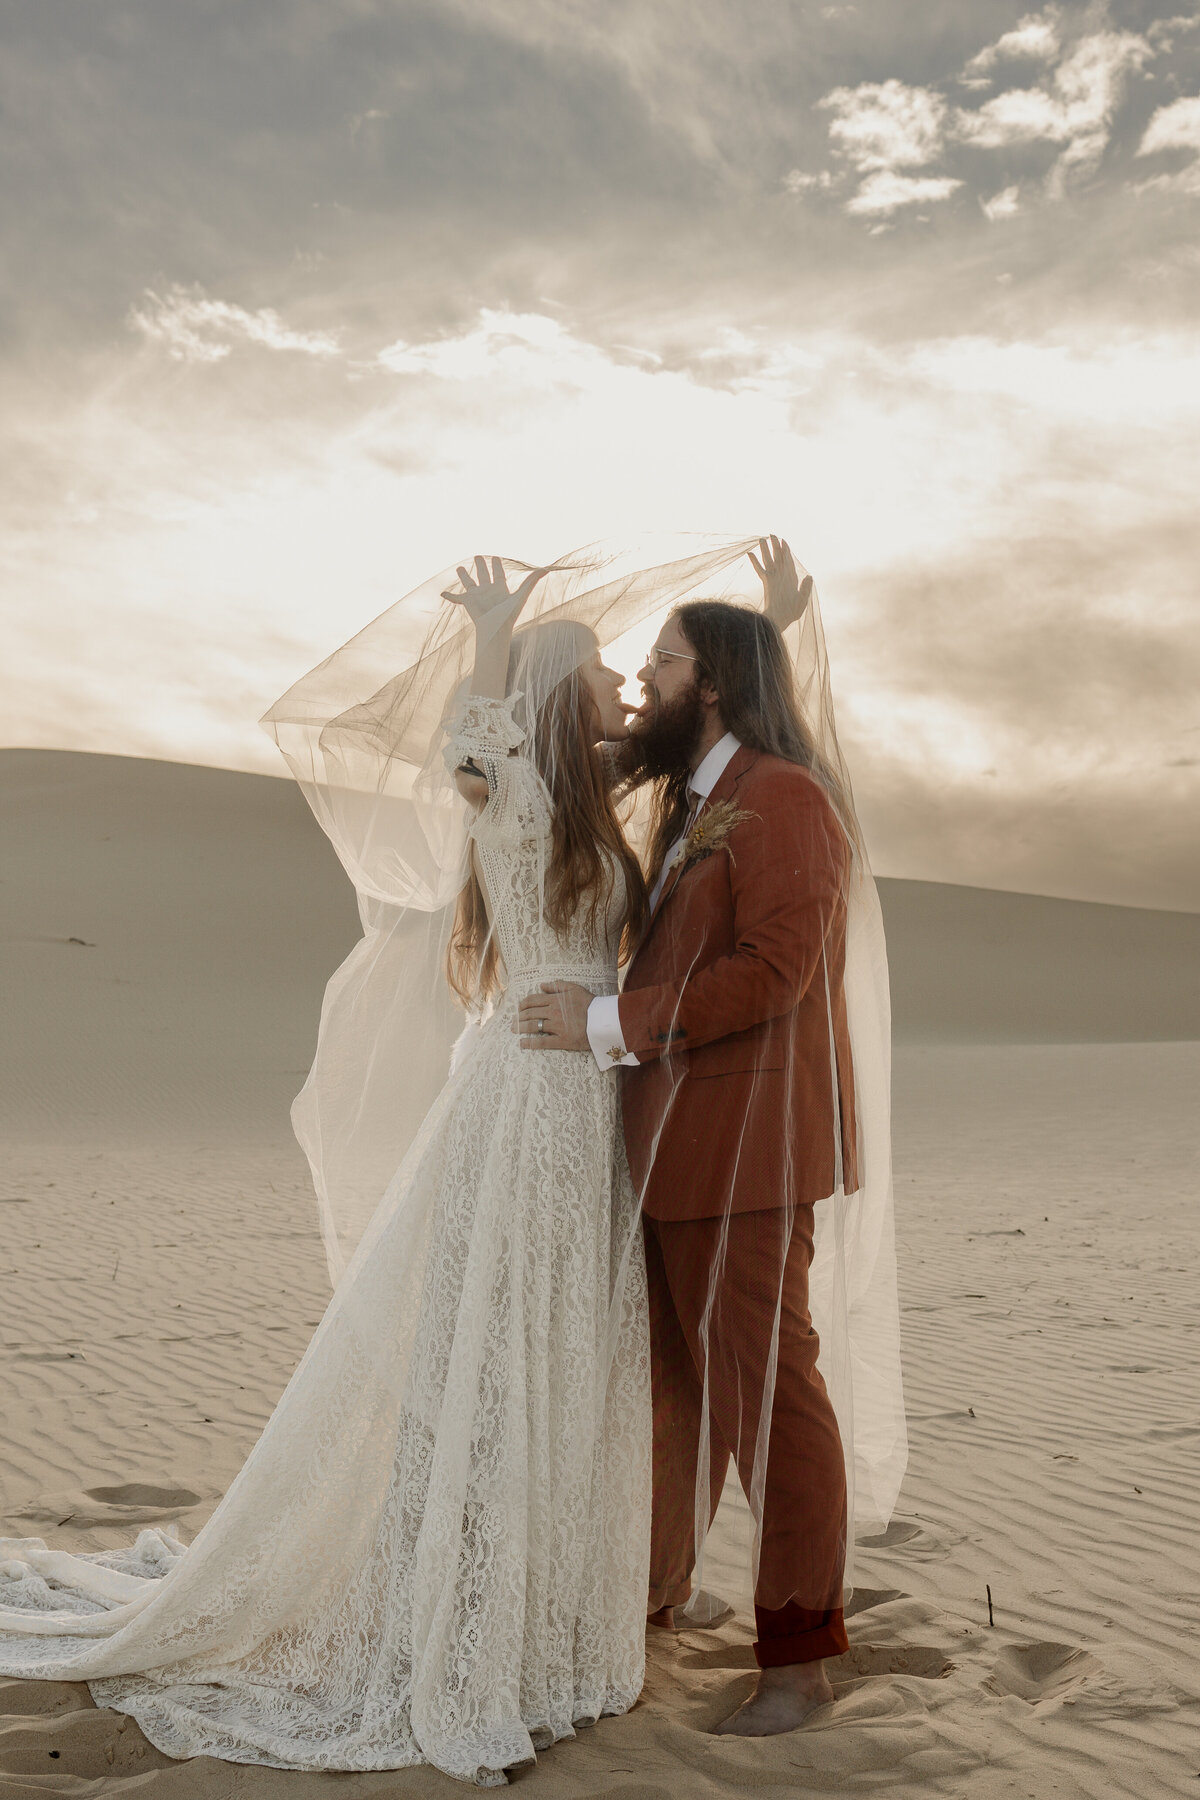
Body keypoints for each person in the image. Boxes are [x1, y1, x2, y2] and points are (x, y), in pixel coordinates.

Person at [0, 558, 654, 1786]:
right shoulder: (508, 798)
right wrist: (497, 639)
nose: (627, 682)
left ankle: (538, 1624)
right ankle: (453, 1633)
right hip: (521, 1099)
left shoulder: (601, 811)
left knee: (551, 1353)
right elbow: (473, 748)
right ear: (564, 695)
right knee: (486, 1355)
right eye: (609, 671)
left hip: (587, 1110)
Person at [517, 537, 890, 1737]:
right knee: (672, 1393)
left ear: (713, 684)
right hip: (672, 1158)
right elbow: (556, 745)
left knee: (771, 1395)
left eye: (663, 660)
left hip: (744, 1155)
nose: (645, 679)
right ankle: (656, 1596)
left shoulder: (783, 799)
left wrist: (608, 1022)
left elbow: (776, 971)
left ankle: (797, 1660)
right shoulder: (695, 793)